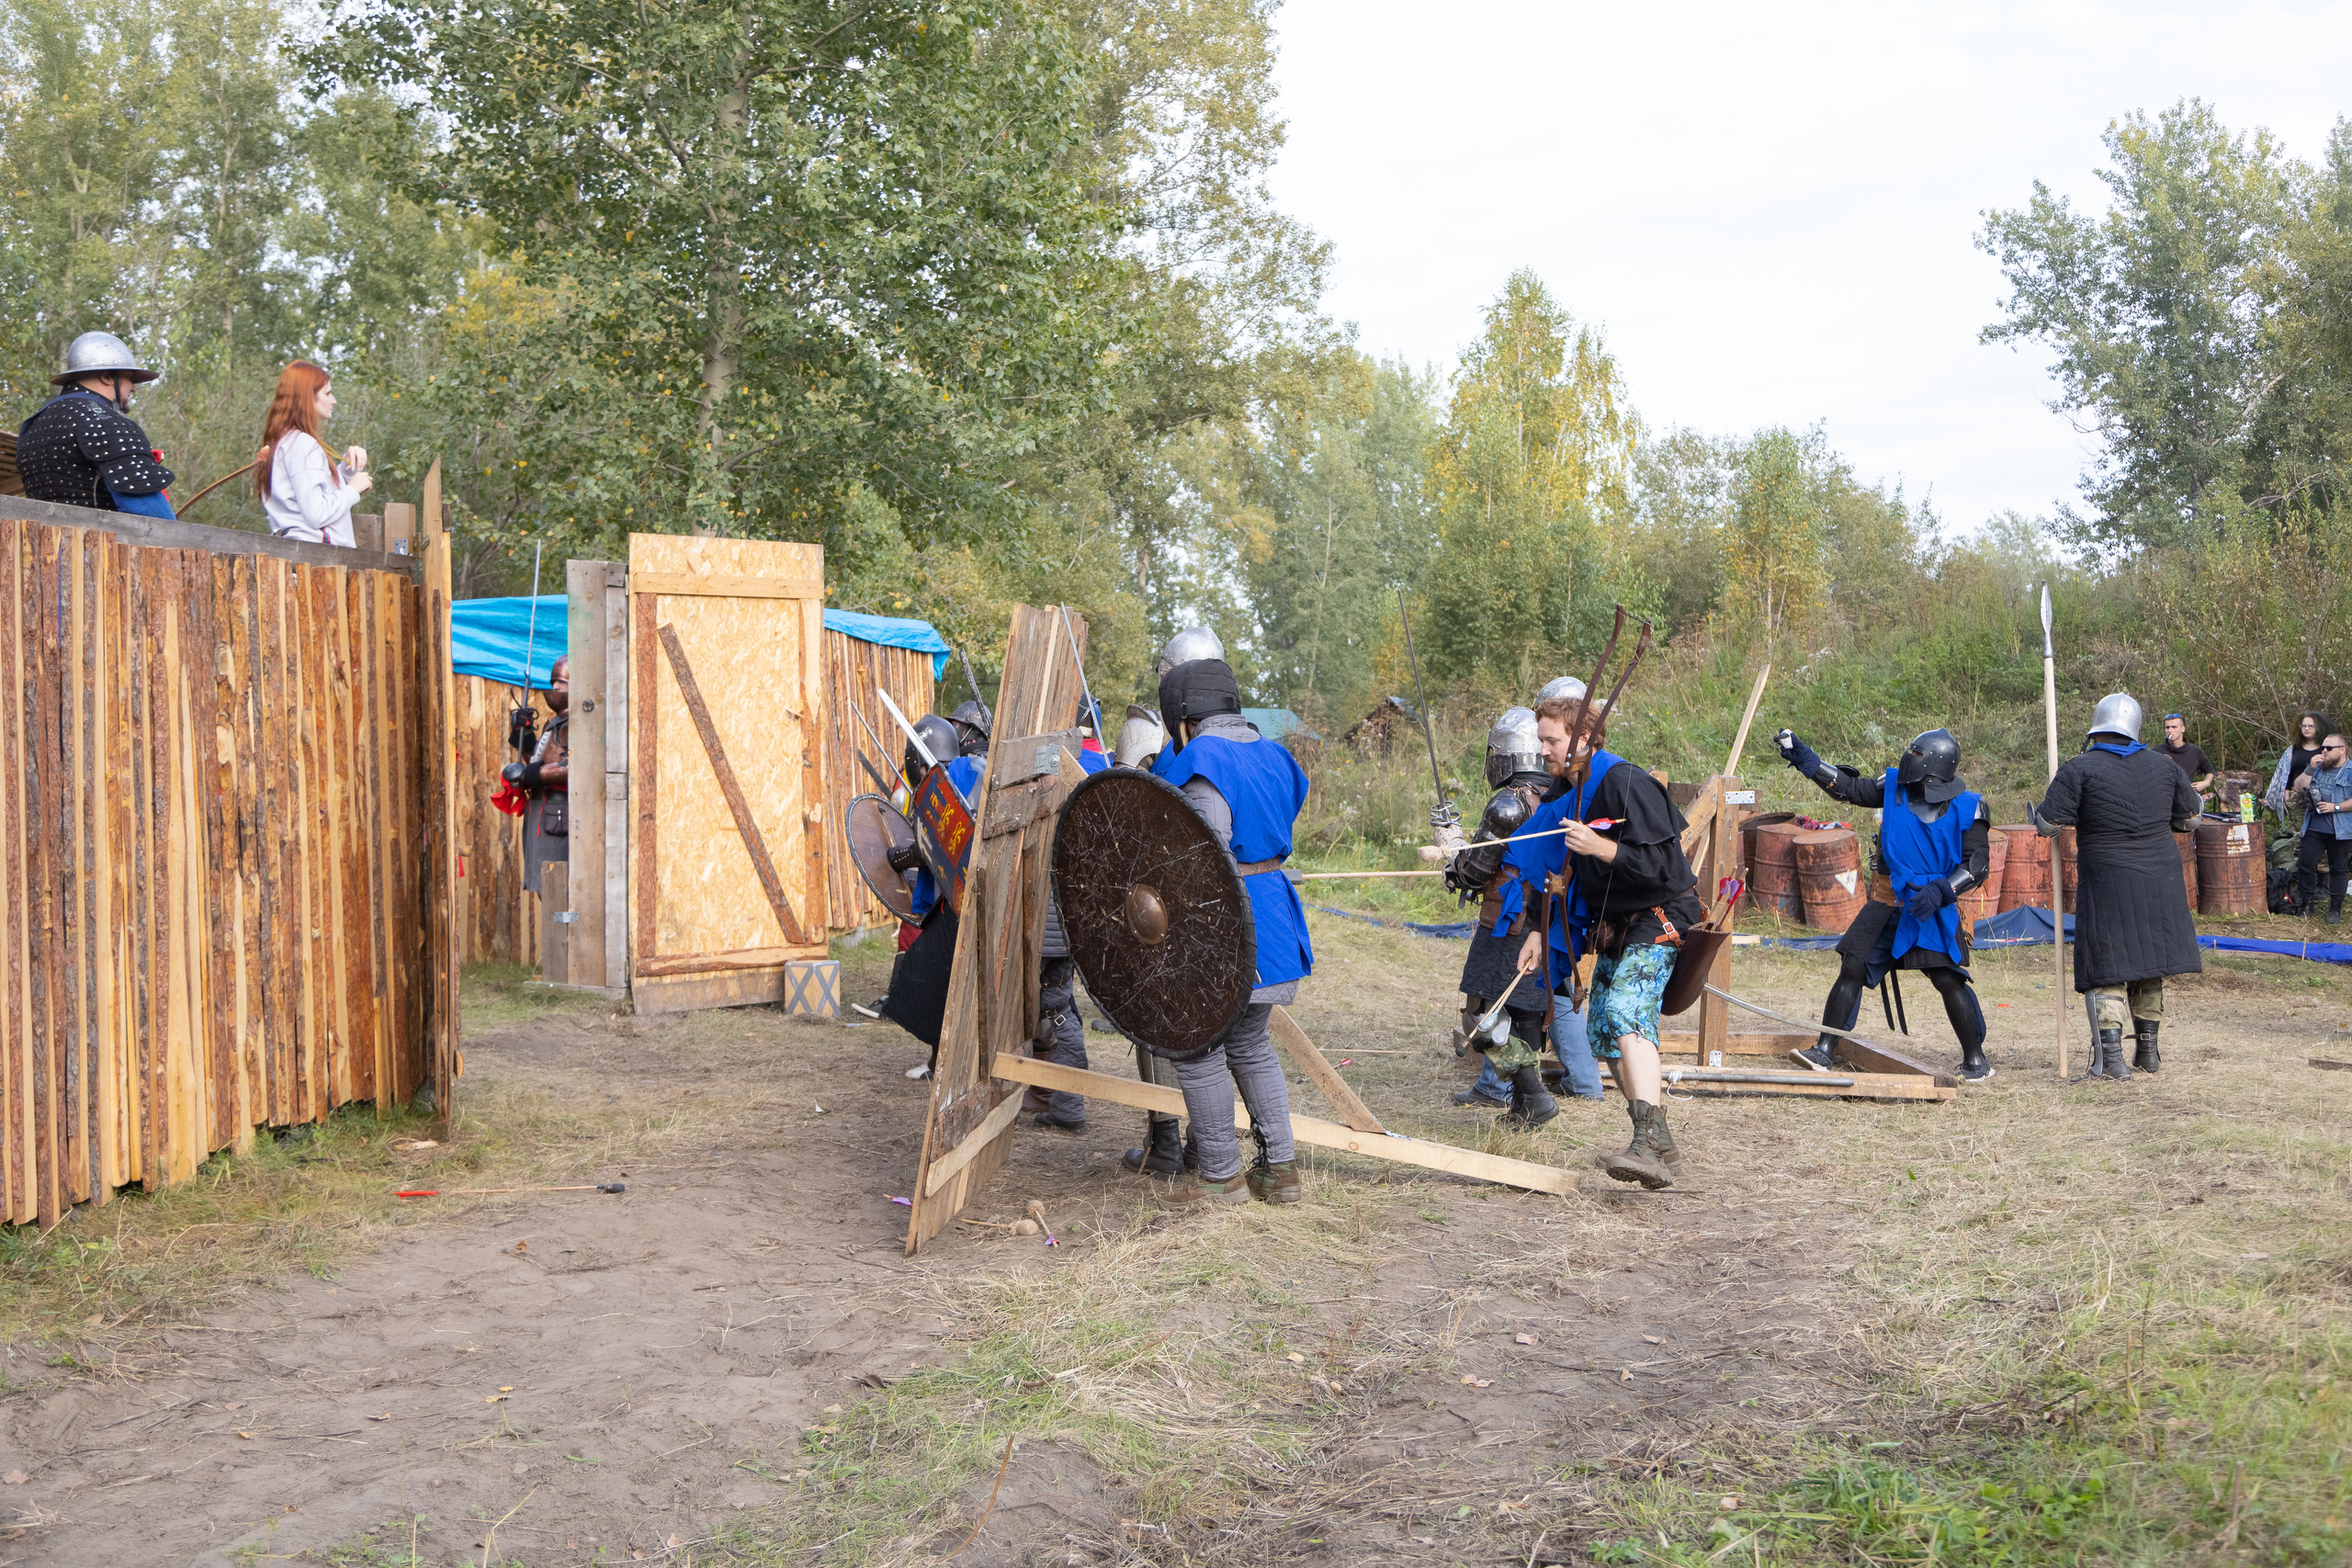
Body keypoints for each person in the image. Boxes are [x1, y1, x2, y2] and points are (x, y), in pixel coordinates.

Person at [1518, 693, 1705, 1189]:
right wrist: (1540, 932)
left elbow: (1666, 869)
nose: (1544, 752)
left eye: (1552, 740)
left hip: (1661, 916)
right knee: (1602, 1029)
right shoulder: (1573, 790)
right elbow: (1565, 878)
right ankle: (1658, 1142)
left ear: (1584, 738)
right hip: (1617, 927)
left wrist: (1602, 848)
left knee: (1625, 1013)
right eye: (1541, 741)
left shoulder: (1625, 780)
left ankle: (1646, 1141)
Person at [1151, 654, 1310, 1205]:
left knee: (1197, 1045)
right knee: (1250, 1041)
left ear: (1181, 714)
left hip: (1222, 916)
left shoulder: (1203, 755)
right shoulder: (1274, 752)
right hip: (1271, 908)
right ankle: (1280, 1171)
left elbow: (1203, 848)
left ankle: (1220, 1174)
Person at [1775, 727, 1996, 1082]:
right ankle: (1824, 1050)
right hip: (1888, 900)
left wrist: (1940, 891)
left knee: (1948, 980)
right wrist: (1806, 759)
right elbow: (1849, 788)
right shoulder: (1893, 788)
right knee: (1853, 966)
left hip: (1932, 906)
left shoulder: (1970, 806)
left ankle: (1976, 1061)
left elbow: (1976, 865)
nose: (1909, 761)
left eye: (1918, 757)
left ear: (1937, 766)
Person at [1447, 705, 1606, 1119]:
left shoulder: (1509, 803)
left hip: (1513, 916)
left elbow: (1471, 874)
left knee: (1487, 1006)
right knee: (1548, 997)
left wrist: (1450, 851)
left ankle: (1512, 1090)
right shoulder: (1564, 793)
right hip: (1553, 914)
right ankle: (1582, 1083)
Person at [2033, 693, 2202, 1078]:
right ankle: (2149, 1054)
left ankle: (2111, 1061)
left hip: (2109, 878)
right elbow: (2191, 818)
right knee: (2149, 962)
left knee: (2107, 966)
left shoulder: (2079, 769)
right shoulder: (2166, 767)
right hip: (2161, 877)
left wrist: (2045, 813)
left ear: (2098, 728)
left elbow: (2046, 825)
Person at [15, 331, 175, 515]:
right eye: (129, 377)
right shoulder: (108, 422)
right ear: (106, 376)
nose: (134, 388)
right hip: (99, 543)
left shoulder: (33, 424)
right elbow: (152, 515)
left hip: (42, 542)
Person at [258, 360, 372, 546]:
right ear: (306, 397)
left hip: (304, 559)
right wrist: (353, 490)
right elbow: (316, 514)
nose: (333, 400)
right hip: (318, 562)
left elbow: (310, 496)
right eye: (327, 393)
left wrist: (346, 471)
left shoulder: (287, 441)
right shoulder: (301, 443)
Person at [500, 656, 570, 893]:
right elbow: (540, 762)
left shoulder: (580, 721)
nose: (555, 689)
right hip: (542, 813)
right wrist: (524, 736)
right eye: (554, 683)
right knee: (545, 889)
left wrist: (535, 775)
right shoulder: (556, 722)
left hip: (560, 816)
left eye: (562, 683)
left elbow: (575, 768)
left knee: (558, 892)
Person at [2288, 733, 2352, 925]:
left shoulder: (2350, 771)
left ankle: (2335, 909)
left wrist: (2336, 807)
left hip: (2340, 830)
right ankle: (2307, 905)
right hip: (2314, 826)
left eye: (2329, 748)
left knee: (2338, 869)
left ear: (2342, 750)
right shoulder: (2318, 768)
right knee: (2305, 865)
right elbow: (2298, 788)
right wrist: (2309, 768)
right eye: (2323, 747)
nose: (2324, 751)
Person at [2264, 712, 2333, 818]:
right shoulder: (2294, 749)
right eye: (2303, 726)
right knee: (2297, 832)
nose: (2306, 729)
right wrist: (2287, 795)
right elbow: (2288, 773)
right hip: (2297, 797)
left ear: (2319, 728)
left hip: (2321, 796)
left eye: (2310, 726)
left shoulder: (2326, 749)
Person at [2157, 714, 2213, 796]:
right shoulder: (2156, 751)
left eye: (2174, 727)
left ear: (2183, 728)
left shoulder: (2195, 751)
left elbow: (2210, 771)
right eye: (2167, 727)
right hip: (2163, 799)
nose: (2170, 730)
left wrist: (2206, 783)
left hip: (2186, 800)